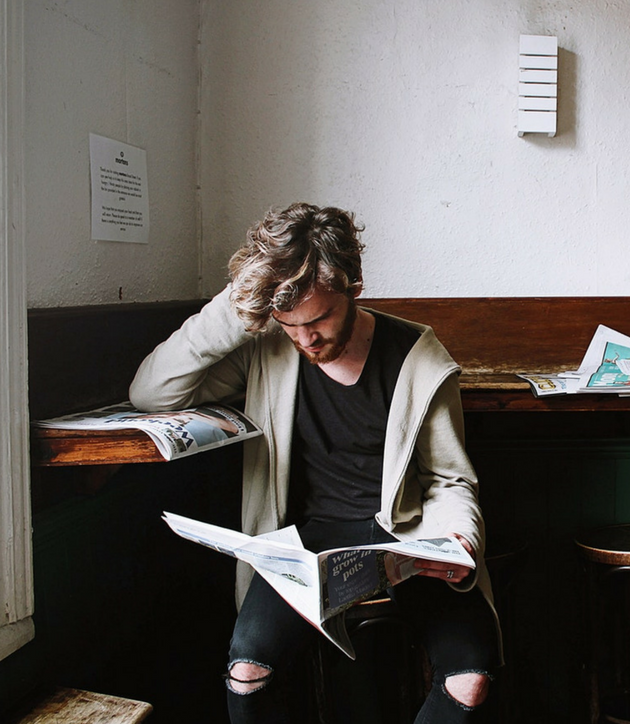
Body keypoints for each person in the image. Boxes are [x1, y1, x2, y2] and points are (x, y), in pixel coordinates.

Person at [129, 203, 500, 723]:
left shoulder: (417, 355)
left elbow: (448, 479)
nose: (306, 339)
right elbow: (152, 392)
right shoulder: (268, 347)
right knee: (246, 675)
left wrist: (460, 540)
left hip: (405, 538)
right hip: (298, 546)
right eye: (290, 324)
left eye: (320, 318)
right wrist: (240, 307)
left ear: (354, 286)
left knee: (469, 678)